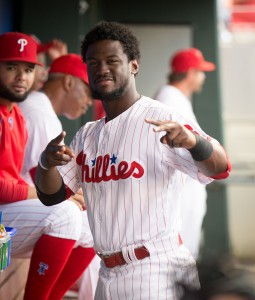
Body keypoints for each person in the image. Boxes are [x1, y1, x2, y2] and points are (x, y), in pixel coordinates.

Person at [34, 21, 231, 299]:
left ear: (133, 66)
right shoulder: (87, 135)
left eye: (112, 60)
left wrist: (193, 142)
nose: (102, 68)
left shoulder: (161, 117)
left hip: (155, 269)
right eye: (93, 62)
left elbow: (221, 167)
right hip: (107, 273)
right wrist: (46, 164)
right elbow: (52, 195)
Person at [0, 33, 95, 300]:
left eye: (28, 69)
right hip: (5, 214)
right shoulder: (36, 112)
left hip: (7, 217)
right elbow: (28, 179)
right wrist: (51, 195)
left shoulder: (15, 114)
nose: (21, 76)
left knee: (88, 228)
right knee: (64, 215)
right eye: (10, 67)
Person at [154, 47, 216, 259]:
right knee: (180, 257)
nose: (203, 76)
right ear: (190, 72)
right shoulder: (170, 98)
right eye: (200, 71)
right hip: (179, 189)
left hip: (184, 187)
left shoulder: (174, 96)